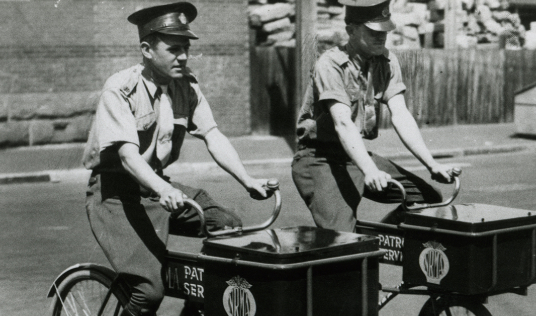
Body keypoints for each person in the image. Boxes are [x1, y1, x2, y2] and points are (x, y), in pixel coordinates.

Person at [81, 2, 269, 315]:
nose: (182, 57)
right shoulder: (121, 88)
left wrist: (248, 179)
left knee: (226, 226)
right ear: (147, 49)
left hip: (155, 189)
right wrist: (164, 189)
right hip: (114, 196)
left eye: (186, 48)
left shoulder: (186, 86)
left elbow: (213, 135)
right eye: (173, 49)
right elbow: (128, 156)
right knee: (147, 292)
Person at [291, 0, 455, 233]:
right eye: (373, 32)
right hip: (320, 159)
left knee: (428, 199)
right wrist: (370, 170)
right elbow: (343, 123)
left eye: (385, 31)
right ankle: (355, 251)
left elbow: (400, 114)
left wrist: (431, 164)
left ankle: (379, 243)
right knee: (342, 236)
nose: (382, 37)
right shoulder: (331, 64)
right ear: (351, 30)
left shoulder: (386, 61)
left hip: (352, 155)